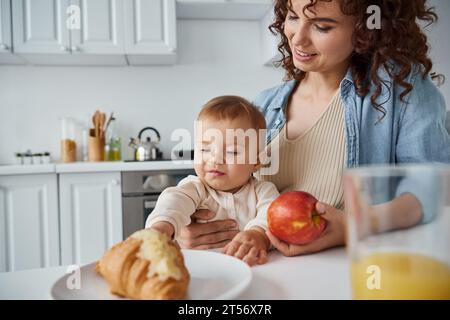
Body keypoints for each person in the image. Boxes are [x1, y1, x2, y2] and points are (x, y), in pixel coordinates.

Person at [176, 0, 450, 256]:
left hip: (351, 270)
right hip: (264, 270)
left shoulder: (403, 92)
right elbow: (227, 195)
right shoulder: (263, 105)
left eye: (322, 26)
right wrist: (191, 227)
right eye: (293, 17)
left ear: (367, 29)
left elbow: (433, 187)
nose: (297, 37)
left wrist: (355, 225)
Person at [145, 95, 279, 265]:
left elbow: (271, 215)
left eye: (232, 152)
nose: (215, 159)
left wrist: (258, 234)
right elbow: (174, 202)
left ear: (257, 161)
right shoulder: (195, 188)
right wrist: (162, 226)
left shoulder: (263, 191)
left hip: (252, 268)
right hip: (201, 270)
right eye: (204, 149)